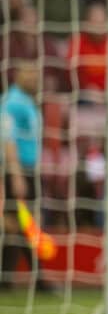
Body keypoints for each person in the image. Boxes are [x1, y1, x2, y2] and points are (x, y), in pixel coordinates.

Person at [0, 61, 47, 290]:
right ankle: (37, 279)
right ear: (19, 75)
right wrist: (16, 174)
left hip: (29, 169)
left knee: (23, 224)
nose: (36, 78)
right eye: (31, 74)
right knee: (14, 224)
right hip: (17, 169)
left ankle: (11, 279)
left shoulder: (28, 101)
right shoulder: (12, 102)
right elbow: (7, 139)